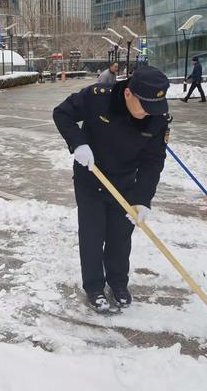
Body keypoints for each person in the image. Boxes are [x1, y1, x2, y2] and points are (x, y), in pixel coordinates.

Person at [53, 66, 170, 312]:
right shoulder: (97, 97)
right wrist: (78, 143)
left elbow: (153, 161)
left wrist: (142, 199)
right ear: (128, 93)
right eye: (145, 106)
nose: (149, 112)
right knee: (93, 236)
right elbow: (62, 113)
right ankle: (94, 287)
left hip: (126, 184)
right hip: (91, 179)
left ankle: (118, 283)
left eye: (154, 107)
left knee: (120, 237)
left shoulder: (157, 117)